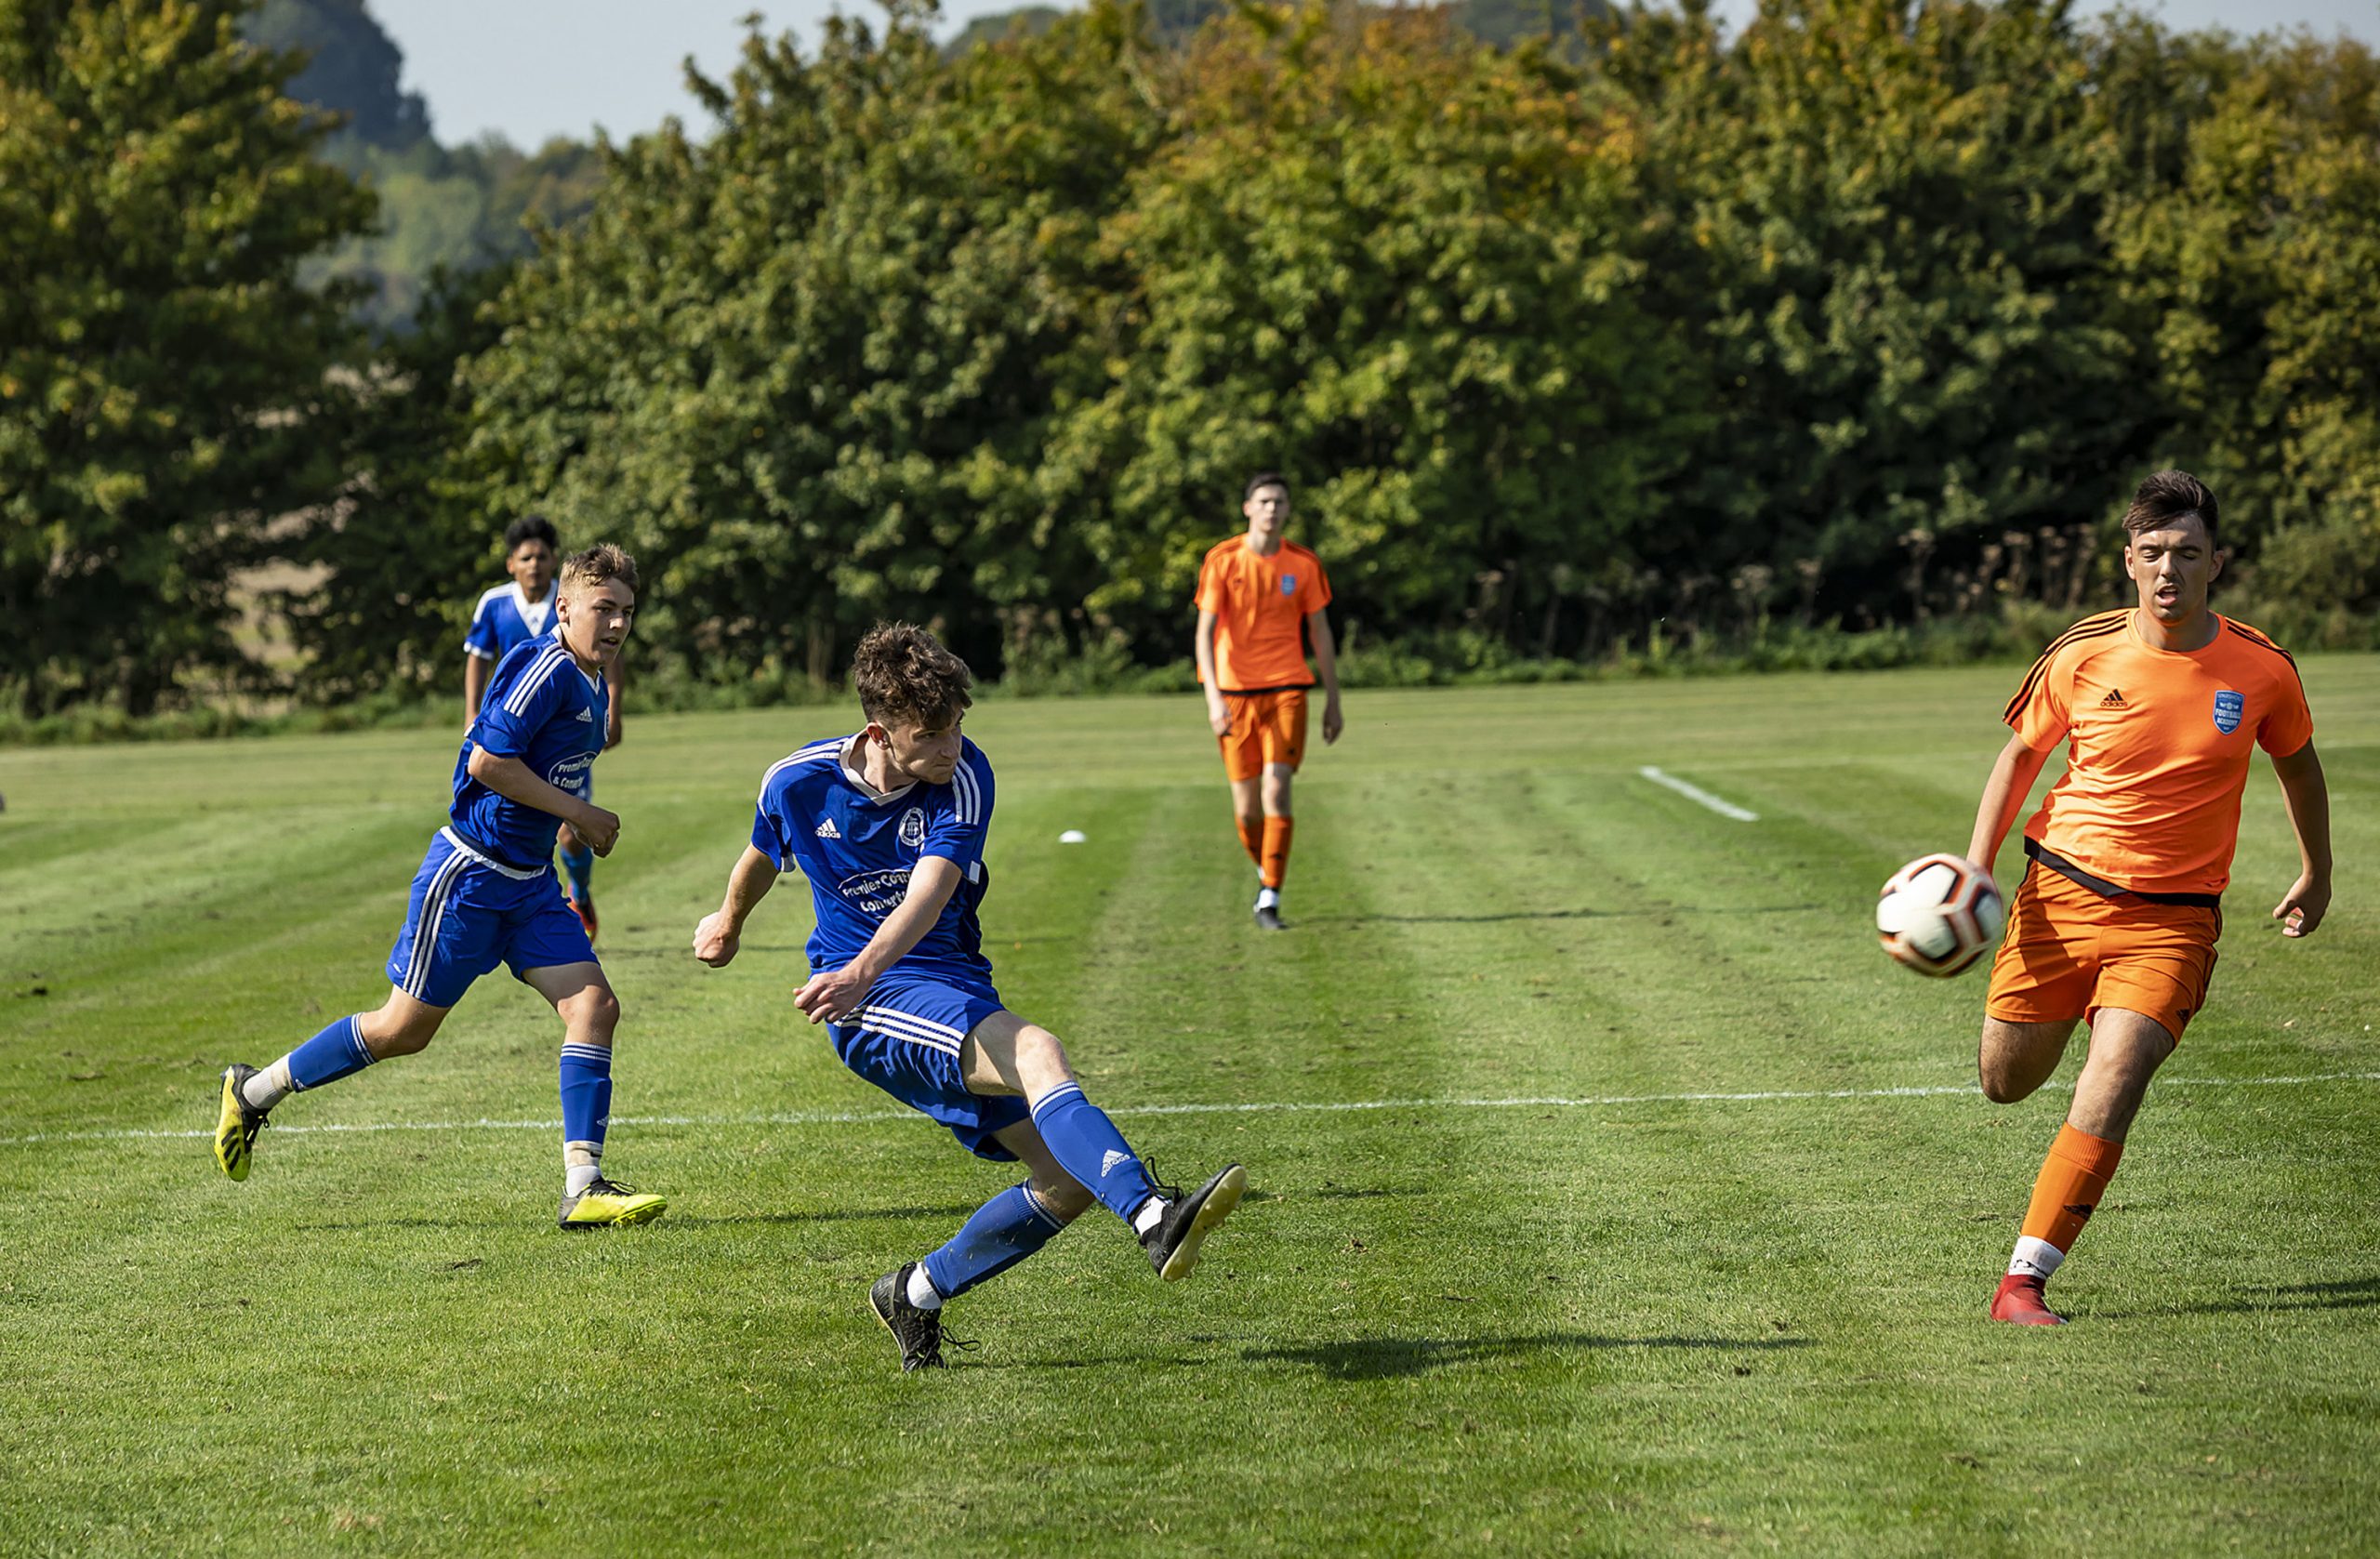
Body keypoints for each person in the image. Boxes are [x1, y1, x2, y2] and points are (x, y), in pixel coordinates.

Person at [692, 623, 1244, 1370]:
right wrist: (730, 921)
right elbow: (763, 850)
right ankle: (1153, 1215)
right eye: (930, 734)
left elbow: (928, 894)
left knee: (1066, 1180)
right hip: (868, 998)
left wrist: (857, 965)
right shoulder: (795, 780)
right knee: (1039, 1050)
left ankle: (914, 1292)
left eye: (956, 725)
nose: (950, 746)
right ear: (879, 733)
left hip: (945, 981)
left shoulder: (964, 775)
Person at [1964, 470, 2329, 1325]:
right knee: (2005, 1081)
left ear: (2217, 564)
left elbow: (2300, 765)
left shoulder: (2263, 668)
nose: (2171, 569)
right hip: (2060, 898)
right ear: (2129, 560)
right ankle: (2078, 1011)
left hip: (2173, 922)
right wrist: (1976, 867)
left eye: (2189, 553)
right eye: (2155, 552)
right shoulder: (2081, 651)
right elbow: (2020, 757)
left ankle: (2023, 1281)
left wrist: (2318, 869)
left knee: (2116, 1074)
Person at [215, 545, 666, 1232]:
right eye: (603, 608)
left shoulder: (592, 680)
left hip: (530, 885)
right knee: (402, 1030)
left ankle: (584, 1187)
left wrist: (569, 822)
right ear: (565, 606)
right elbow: (487, 762)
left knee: (595, 1007)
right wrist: (580, 811)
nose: (617, 624)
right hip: (472, 877)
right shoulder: (546, 666)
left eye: (627, 612)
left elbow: (544, 772)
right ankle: (253, 1091)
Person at [1193, 472, 1345, 931]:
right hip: (1234, 695)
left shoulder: (1303, 564)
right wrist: (1213, 698)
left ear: (1288, 509)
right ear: (1248, 508)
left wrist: (1333, 699)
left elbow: (1320, 632)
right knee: (1247, 810)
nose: (1272, 509)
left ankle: (1270, 896)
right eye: (1264, 501)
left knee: (1276, 789)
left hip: (1287, 689)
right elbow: (1204, 634)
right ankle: (1267, 870)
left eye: (1279, 501)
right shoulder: (1223, 560)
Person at [464, 515, 624, 941]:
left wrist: (613, 708)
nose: (534, 565)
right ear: (511, 564)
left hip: (566, 733)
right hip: (516, 729)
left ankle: (578, 895)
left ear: (554, 561)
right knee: (524, 815)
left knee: (570, 834)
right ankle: (520, 906)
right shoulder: (495, 603)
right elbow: (477, 657)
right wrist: (471, 713)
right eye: (526, 557)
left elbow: (608, 656)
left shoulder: (581, 597)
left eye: (542, 557)